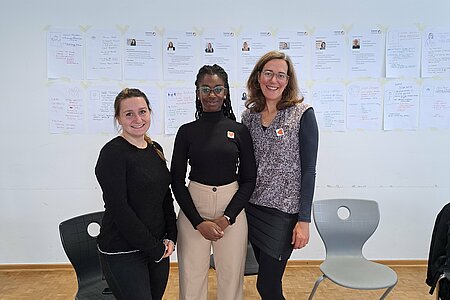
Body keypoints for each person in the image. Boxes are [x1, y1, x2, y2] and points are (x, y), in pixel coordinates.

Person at [171, 64, 256, 300]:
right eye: (205, 89)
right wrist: (198, 222)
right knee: (191, 276)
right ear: (197, 92)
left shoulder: (239, 130)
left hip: (232, 207)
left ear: (226, 92)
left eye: (218, 89)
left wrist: (228, 217)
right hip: (193, 206)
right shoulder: (186, 131)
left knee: (231, 277)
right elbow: (176, 180)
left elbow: (249, 179)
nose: (212, 95)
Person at [241, 51, 319, 300]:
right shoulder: (249, 118)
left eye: (281, 75)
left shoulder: (302, 114)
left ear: (288, 80)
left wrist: (304, 221)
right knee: (263, 279)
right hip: (252, 209)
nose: (273, 80)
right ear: (258, 77)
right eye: (268, 73)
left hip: (283, 215)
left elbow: (309, 171)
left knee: (267, 285)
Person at [95, 88, 177, 300]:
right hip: (123, 250)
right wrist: (154, 248)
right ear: (119, 119)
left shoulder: (154, 148)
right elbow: (120, 210)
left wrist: (171, 235)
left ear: (150, 112)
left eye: (142, 111)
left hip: (157, 248)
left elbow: (165, 197)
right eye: (129, 114)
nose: (137, 119)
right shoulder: (112, 154)